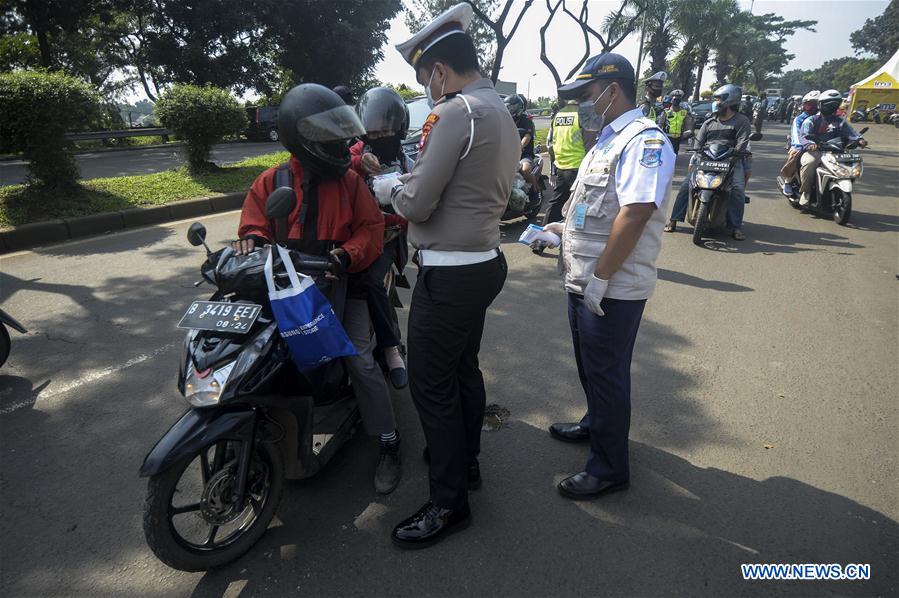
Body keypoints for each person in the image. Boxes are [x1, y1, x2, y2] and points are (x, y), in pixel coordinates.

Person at [373, 2, 520, 549]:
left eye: (425, 77)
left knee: (432, 388)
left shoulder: (454, 111)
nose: (428, 89)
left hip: (449, 273)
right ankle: (468, 464)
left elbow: (417, 202)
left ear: (437, 70)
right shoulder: (498, 108)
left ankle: (448, 503)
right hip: (483, 262)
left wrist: (385, 186)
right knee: (462, 371)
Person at [232, 83, 403, 495]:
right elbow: (252, 225)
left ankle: (388, 441)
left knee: (360, 360)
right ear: (302, 137)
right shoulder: (272, 180)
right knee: (258, 354)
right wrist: (250, 241)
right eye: (329, 136)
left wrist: (346, 255)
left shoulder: (349, 182)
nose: (342, 145)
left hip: (342, 284)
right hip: (288, 289)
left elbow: (371, 229)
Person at [544, 52, 675, 500]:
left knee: (607, 372)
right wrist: (563, 230)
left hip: (611, 286)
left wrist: (600, 278)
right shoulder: (606, 138)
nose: (582, 103)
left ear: (611, 90)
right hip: (585, 278)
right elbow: (598, 207)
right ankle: (594, 424)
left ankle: (609, 466)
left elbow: (636, 213)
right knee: (590, 365)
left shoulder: (644, 141)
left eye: (586, 94)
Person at [349, 86, 412, 390]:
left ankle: (391, 348)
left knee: (371, 282)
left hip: (387, 240)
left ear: (399, 128)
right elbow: (336, 167)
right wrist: (357, 164)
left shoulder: (408, 160)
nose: (380, 134)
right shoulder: (355, 152)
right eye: (373, 129)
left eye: (387, 128)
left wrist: (392, 218)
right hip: (349, 237)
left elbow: (416, 206)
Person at [663, 83, 752, 240]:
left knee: (737, 190)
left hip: (731, 160)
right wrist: (697, 151)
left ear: (729, 100)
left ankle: (735, 227)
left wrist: (737, 152)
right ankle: (674, 220)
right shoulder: (709, 122)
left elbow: (742, 142)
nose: (716, 102)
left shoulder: (741, 121)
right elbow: (699, 141)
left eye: (719, 99)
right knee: (686, 186)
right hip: (707, 158)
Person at [798, 89, 867, 207]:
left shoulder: (839, 122)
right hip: (815, 151)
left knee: (851, 164)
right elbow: (803, 136)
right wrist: (810, 144)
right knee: (809, 163)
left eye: (835, 104)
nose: (832, 107)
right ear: (821, 105)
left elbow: (851, 133)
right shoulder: (811, 120)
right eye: (829, 105)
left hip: (835, 152)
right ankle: (806, 191)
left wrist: (859, 140)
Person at [539, 98, 590, 251]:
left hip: (561, 165)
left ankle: (539, 241)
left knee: (555, 204)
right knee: (580, 207)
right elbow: (590, 143)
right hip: (579, 167)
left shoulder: (559, 115)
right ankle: (576, 245)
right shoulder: (584, 114)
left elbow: (551, 144)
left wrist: (554, 164)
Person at [779, 90, 819, 196]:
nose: (812, 107)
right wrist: (801, 146)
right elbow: (796, 135)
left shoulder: (822, 118)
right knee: (795, 154)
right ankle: (787, 181)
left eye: (815, 104)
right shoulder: (799, 119)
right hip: (801, 145)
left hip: (819, 147)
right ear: (804, 105)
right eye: (809, 104)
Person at [505, 93, 538, 189]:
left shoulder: (526, 120)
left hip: (524, 154)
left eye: (512, 108)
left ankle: (536, 192)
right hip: (507, 154)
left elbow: (527, 137)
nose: (509, 110)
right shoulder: (506, 120)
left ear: (518, 107)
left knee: (525, 170)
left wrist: (519, 147)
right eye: (508, 107)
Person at [663, 89, 689, 154]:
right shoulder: (666, 112)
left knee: (675, 154)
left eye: (678, 100)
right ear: (671, 100)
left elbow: (688, 125)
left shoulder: (684, 112)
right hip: (668, 137)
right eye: (675, 99)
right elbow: (660, 125)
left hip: (678, 138)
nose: (676, 101)